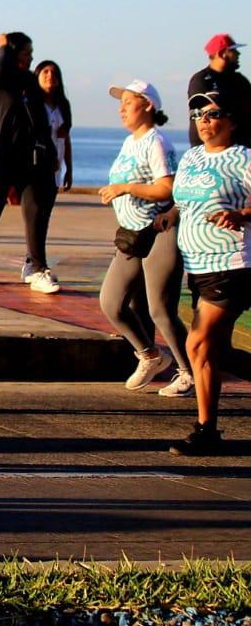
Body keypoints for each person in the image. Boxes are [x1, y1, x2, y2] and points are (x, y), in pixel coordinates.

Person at [161, 92, 251, 456]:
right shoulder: (192, 158)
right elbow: (183, 202)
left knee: (195, 344)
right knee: (212, 352)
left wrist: (242, 215)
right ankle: (207, 430)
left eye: (212, 114)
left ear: (231, 121)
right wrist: (168, 216)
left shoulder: (243, 158)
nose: (203, 120)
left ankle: (204, 429)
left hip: (232, 264)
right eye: (197, 114)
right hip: (196, 266)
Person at [97, 81, 191, 396]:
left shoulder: (157, 142)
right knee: (111, 302)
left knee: (160, 310)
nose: (121, 108)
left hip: (159, 231)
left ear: (147, 105)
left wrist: (125, 188)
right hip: (131, 235)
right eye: (120, 103)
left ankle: (189, 372)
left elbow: (167, 188)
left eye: (128, 101)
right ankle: (150, 355)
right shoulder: (130, 142)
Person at [0, 33, 60, 293]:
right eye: (27, 52)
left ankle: (37, 268)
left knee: (34, 211)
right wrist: (4, 48)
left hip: (27, 157)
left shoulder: (29, 81)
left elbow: (39, 120)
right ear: (14, 53)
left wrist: (49, 153)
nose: (31, 57)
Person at [188, 34, 250, 148]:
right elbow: (203, 114)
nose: (238, 54)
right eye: (233, 51)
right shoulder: (201, 80)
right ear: (221, 54)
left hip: (242, 148)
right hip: (211, 150)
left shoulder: (240, 81)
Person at [35, 61, 73, 192]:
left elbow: (66, 139)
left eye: (54, 73)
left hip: (56, 168)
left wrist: (69, 170)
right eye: (45, 72)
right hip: (35, 167)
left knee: (46, 211)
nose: (50, 75)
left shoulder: (63, 106)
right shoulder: (30, 104)